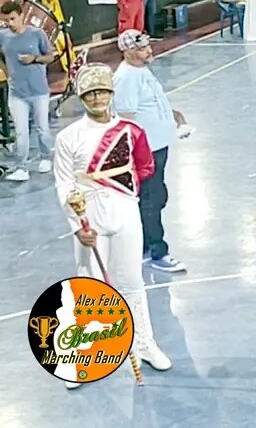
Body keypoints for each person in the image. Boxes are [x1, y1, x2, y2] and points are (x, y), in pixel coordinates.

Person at [55, 63, 171, 387]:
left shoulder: (132, 131)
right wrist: (76, 224)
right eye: (89, 93)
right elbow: (63, 183)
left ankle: (144, 342)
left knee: (132, 280)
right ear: (81, 96)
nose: (96, 98)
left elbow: (145, 168)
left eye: (101, 91)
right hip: (87, 215)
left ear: (110, 93)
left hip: (123, 209)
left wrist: (120, 190)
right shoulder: (68, 137)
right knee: (90, 285)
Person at [113, 30, 188, 273]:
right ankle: (157, 251)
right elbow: (126, 118)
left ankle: (144, 246)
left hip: (158, 144)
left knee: (156, 196)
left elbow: (149, 102)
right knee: (151, 200)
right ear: (128, 51)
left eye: (148, 46)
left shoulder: (142, 70)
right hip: (147, 151)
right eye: (143, 48)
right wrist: (136, 154)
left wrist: (171, 114)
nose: (149, 50)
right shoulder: (125, 78)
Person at [0, 1, 56, 182]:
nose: (10, 23)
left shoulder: (36, 34)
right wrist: (8, 72)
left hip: (39, 90)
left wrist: (35, 59)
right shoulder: (3, 37)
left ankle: (46, 156)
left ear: (21, 16)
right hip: (17, 94)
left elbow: (50, 56)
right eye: (6, 20)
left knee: (42, 128)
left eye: (13, 19)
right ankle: (21, 167)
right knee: (21, 132)